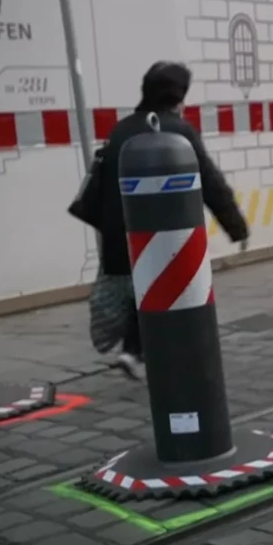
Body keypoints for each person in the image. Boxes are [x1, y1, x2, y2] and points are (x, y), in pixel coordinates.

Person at [95, 61, 249, 379]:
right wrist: (236, 226)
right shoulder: (178, 132)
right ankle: (156, 353)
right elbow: (210, 182)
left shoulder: (121, 128)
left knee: (140, 290)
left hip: (116, 233)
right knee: (168, 287)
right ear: (178, 95)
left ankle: (133, 349)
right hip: (164, 232)